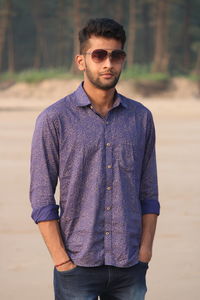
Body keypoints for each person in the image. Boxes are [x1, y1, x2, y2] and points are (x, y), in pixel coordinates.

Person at [29, 18, 160, 300]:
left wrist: (145, 252)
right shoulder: (54, 120)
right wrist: (62, 260)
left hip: (130, 263)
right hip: (77, 265)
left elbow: (149, 192)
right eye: (99, 55)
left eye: (117, 55)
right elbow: (41, 197)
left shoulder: (141, 118)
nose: (108, 64)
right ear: (81, 61)